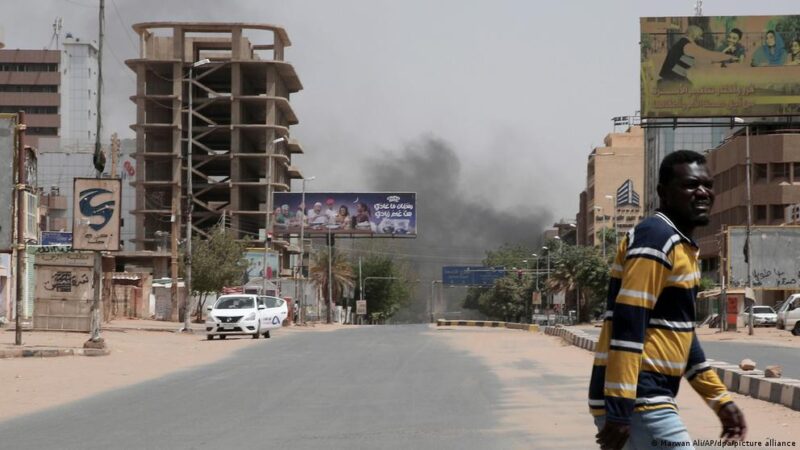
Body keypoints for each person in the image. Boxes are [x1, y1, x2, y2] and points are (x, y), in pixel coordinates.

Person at [591, 150, 747, 450]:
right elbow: (628, 322)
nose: (703, 193)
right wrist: (621, 409)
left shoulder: (682, 246)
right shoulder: (656, 237)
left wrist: (720, 400)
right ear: (663, 193)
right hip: (641, 398)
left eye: (707, 185)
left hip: (646, 397)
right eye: (690, 185)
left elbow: (683, 336)